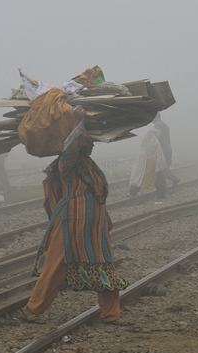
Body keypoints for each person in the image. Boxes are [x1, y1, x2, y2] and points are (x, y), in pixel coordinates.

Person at [21, 106, 129, 325]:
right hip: (70, 222)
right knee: (55, 267)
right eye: (86, 142)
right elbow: (70, 144)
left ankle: (110, 315)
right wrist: (77, 121)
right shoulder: (66, 162)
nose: (90, 146)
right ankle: (32, 309)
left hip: (93, 227)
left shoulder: (89, 164)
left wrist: (105, 219)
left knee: (104, 267)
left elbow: (98, 195)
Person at [128, 130, 167, 199]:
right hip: (152, 162)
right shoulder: (155, 142)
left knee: (139, 177)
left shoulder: (145, 141)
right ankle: (161, 195)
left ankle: (132, 192)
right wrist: (162, 163)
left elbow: (141, 152)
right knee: (158, 178)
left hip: (144, 162)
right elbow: (159, 153)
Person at [153, 113, 180, 187]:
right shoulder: (165, 125)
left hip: (162, 149)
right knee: (164, 167)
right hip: (168, 148)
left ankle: (174, 179)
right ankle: (164, 184)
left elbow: (157, 136)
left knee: (161, 167)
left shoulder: (157, 125)